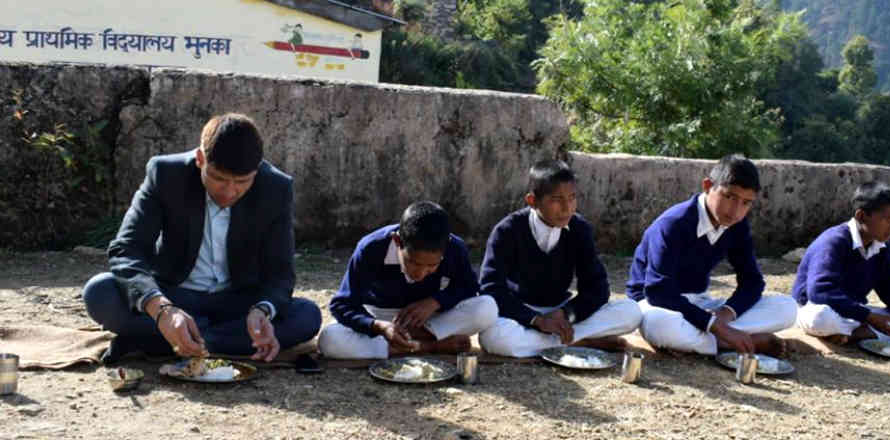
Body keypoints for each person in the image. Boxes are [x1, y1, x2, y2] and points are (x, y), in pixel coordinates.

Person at [83, 113, 322, 364]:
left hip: (238, 303)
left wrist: (262, 310)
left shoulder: (276, 187)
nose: (230, 192)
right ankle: (197, 337)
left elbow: (281, 272)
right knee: (100, 292)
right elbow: (127, 250)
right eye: (219, 179)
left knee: (307, 316)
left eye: (242, 182)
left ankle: (163, 340)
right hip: (174, 294)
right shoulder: (165, 174)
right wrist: (162, 309)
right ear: (200, 160)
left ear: (257, 169)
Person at [626, 154, 797, 356]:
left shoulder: (737, 226)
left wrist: (724, 316)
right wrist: (714, 325)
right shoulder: (674, 224)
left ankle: (703, 341)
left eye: (746, 203)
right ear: (708, 186)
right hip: (656, 303)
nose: (735, 211)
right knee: (659, 326)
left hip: (700, 303)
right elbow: (658, 291)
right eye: (729, 197)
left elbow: (752, 282)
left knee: (786, 307)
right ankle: (730, 343)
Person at [478, 159, 641, 357]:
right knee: (492, 337)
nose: (567, 208)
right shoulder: (507, 230)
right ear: (532, 201)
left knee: (630, 311)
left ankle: (552, 341)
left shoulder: (579, 229)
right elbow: (491, 288)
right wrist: (537, 320)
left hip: (561, 311)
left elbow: (597, 288)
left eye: (572, 198)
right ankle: (580, 340)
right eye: (557, 200)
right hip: (522, 312)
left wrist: (565, 314)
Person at [320, 201, 497, 359]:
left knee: (487, 307)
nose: (420, 274)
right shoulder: (371, 248)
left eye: (432, 266)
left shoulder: (454, 248)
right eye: (413, 263)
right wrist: (378, 326)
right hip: (380, 317)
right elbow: (342, 304)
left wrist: (435, 302)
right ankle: (430, 346)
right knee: (330, 340)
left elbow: (468, 287)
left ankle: (408, 340)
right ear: (397, 241)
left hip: (429, 320)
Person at [792, 182, 890, 347]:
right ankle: (860, 332)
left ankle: (856, 334)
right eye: (887, 219)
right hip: (818, 308)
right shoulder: (834, 242)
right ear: (861, 216)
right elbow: (820, 292)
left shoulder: (882, 247)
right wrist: (868, 317)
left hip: (855, 313)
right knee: (820, 318)